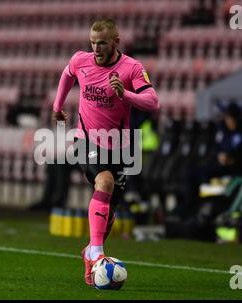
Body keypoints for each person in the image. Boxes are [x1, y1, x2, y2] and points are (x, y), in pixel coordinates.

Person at [52, 19, 159, 286]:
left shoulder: (131, 68)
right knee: (105, 181)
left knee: (110, 211)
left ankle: (90, 252)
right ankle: (98, 253)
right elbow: (67, 75)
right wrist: (57, 106)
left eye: (102, 43)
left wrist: (127, 96)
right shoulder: (81, 60)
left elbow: (152, 101)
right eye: (93, 42)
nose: (96, 48)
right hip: (86, 139)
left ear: (116, 42)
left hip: (120, 145)